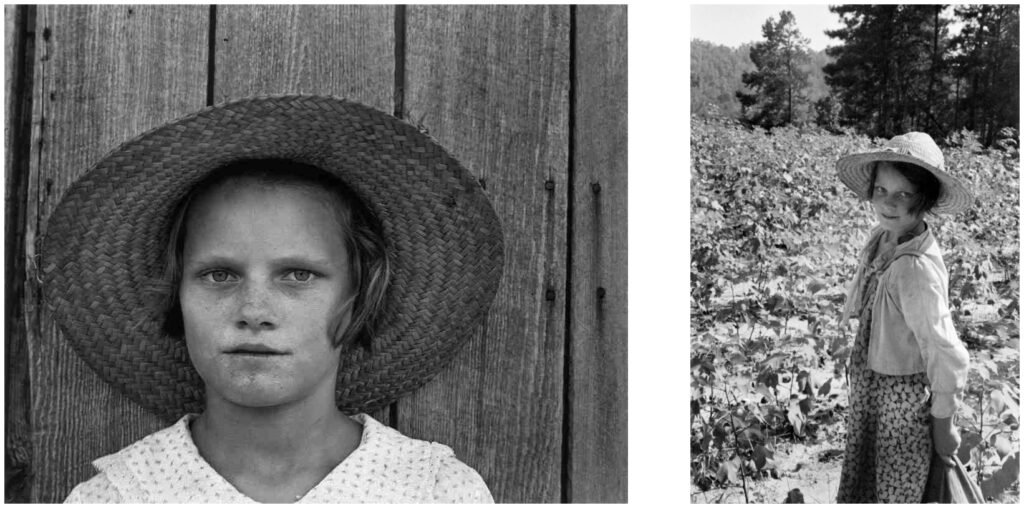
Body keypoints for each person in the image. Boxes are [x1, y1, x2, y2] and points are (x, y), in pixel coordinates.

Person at [40, 96, 505, 503]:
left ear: (359, 295)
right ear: (176, 294)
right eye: (219, 275)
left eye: (298, 275)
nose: (254, 312)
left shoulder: (435, 492)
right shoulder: (117, 497)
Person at [834, 132, 972, 503]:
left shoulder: (915, 270)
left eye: (903, 194)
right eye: (881, 190)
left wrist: (944, 424)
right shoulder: (885, 237)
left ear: (925, 199)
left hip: (901, 400)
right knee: (873, 475)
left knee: (897, 485)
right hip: (876, 387)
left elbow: (946, 353)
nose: (887, 202)